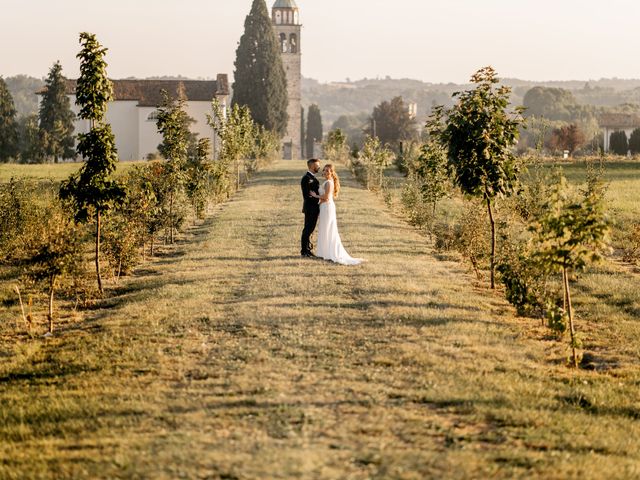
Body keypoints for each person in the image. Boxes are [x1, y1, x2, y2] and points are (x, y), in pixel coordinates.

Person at [310, 164, 363, 265]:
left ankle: (331, 253)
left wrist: (315, 195)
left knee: (328, 229)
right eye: (324, 170)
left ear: (331, 173)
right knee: (324, 229)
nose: (325, 172)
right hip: (324, 207)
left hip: (327, 208)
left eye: (327, 171)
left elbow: (326, 197)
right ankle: (324, 252)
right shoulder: (326, 182)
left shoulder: (329, 183)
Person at [300, 158, 321, 257]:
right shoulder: (306, 178)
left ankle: (308, 249)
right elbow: (307, 195)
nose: (319, 167)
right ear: (311, 166)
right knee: (308, 229)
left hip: (314, 208)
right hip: (310, 208)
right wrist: (319, 200)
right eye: (317, 165)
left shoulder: (312, 177)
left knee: (310, 229)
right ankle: (304, 251)